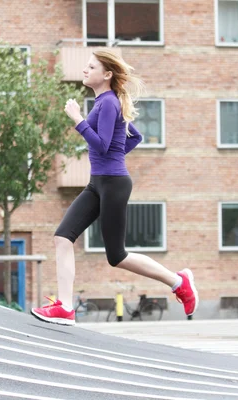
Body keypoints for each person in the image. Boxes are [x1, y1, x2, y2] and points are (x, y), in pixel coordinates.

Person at [31, 50, 198, 326]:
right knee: (63, 237)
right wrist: (114, 154)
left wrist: (78, 120)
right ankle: (65, 307)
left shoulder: (107, 102)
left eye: (91, 66)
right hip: (98, 183)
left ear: (106, 74)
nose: (85, 70)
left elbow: (103, 145)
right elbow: (134, 137)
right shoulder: (104, 103)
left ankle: (179, 282)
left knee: (116, 256)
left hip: (113, 184)